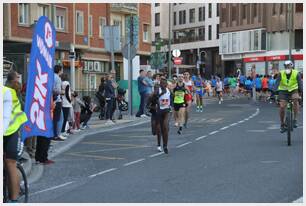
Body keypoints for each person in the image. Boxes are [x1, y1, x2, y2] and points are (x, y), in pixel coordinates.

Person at [3, 72, 28, 203]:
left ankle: (14, 199)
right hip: (9, 130)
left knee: (10, 163)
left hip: (11, 131)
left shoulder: (8, 92)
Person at [274, 60, 303, 133]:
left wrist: (301, 92)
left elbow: (300, 84)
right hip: (283, 91)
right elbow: (277, 83)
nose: (287, 67)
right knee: (282, 106)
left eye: (289, 66)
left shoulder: (297, 73)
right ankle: (282, 124)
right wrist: (274, 91)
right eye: (286, 66)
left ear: (291, 66)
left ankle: (295, 120)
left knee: (296, 99)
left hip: (294, 90)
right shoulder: (281, 73)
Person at [156, 78, 171, 153]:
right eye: (162, 84)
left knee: (165, 127)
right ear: (160, 84)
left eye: (165, 84)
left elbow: (172, 98)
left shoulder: (168, 90)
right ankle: (159, 145)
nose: (163, 85)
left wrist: (171, 105)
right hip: (159, 111)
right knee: (158, 129)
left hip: (166, 111)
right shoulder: (157, 90)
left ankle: (165, 145)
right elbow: (152, 98)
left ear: (166, 84)